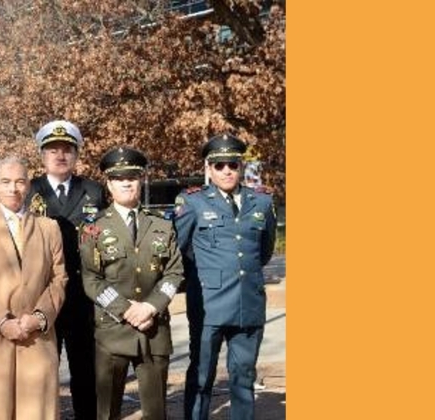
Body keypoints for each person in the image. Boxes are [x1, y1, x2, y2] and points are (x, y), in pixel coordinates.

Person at [0, 156, 68, 419]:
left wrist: (39, 317)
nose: (12, 188)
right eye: (5, 182)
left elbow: (58, 279)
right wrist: (1, 322)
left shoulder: (48, 228)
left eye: (19, 182)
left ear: (29, 186)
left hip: (36, 339)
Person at [174, 134, 277, 420]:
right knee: (202, 375)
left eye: (232, 163)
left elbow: (263, 251)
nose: (227, 170)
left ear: (241, 165)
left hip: (249, 303)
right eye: (219, 165)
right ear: (208, 168)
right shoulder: (192, 203)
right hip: (209, 304)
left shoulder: (262, 201)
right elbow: (180, 250)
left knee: (243, 378)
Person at [79, 147, 184, 420]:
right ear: (109, 184)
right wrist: (126, 309)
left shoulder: (162, 224)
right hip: (113, 330)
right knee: (107, 412)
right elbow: (91, 278)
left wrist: (151, 307)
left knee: (156, 412)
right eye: (119, 178)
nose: (127, 182)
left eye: (133, 177)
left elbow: (174, 273)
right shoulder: (93, 227)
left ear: (141, 180)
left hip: (153, 330)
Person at [28, 120, 105, 419]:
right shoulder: (30, 190)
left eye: (67, 150)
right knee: (42, 370)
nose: (60, 156)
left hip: (82, 294)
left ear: (76, 154)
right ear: (42, 156)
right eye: (52, 150)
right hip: (42, 294)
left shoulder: (94, 191)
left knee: (85, 369)